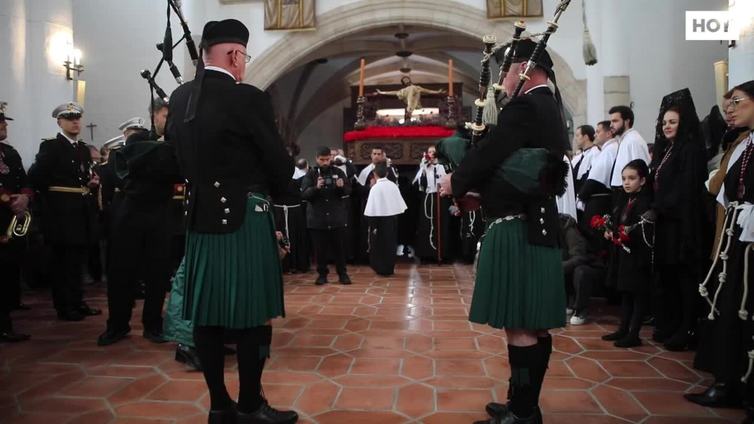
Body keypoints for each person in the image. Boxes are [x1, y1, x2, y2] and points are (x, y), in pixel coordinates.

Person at [166, 19, 298, 424]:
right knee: (253, 317)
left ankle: (219, 407)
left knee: (207, 316)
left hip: (200, 218)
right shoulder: (248, 98)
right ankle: (250, 405)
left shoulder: (180, 97)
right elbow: (278, 163)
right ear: (235, 55)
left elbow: (176, 157)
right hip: (245, 216)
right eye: (245, 57)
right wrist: (282, 190)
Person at [441, 39, 568, 424]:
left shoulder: (528, 105)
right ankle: (522, 404)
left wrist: (456, 181)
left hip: (518, 226)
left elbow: (492, 152)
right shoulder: (551, 107)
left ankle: (523, 412)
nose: (503, 81)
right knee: (534, 324)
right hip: (537, 223)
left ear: (529, 69)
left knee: (520, 325)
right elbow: (524, 169)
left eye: (507, 71)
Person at [685, 80, 754, 414]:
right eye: (728, 103)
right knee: (729, 311)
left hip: (748, 238)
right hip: (737, 237)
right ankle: (728, 382)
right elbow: (722, 187)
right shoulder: (743, 143)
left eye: (737, 101)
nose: (731, 109)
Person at [96, 127, 182, 346]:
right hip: (143, 216)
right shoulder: (163, 155)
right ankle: (139, 325)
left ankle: (126, 325)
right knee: (140, 273)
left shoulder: (154, 155)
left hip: (141, 216)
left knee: (144, 274)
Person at [28, 102, 102, 321]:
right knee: (62, 263)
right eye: (70, 118)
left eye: (77, 117)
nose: (75, 121)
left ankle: (77, 301)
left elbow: (82, 177)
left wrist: (92, 183)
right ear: (60, 122)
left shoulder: (81, 149)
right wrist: (51, 203)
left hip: (80, 213)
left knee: (77, 261)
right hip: (61, 213)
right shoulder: (52, 147)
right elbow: (37, 177)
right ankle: (65, 305)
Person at [647, 90, 709, 351]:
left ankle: (687, 327)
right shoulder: (669, 150)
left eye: (672, 122)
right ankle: (671, 324)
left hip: (682, 223)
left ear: (683, 122)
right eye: (664, 123)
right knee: (669, 276)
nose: (667, 126)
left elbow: (686, 189)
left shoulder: (690, 149)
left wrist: (660, 205)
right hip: (666, 223)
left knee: (685, 279)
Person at [600, 160, 654, 347]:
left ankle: (634, 333)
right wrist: (611, 231)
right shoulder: (624, 199)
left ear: (643, 180)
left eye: (632, 178)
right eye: (624, 179)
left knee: (637, 293)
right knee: (626, 293)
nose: (626, 183)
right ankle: (623, 328)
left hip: (638, 255)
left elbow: (642, 228)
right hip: (624, 254)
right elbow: (618, 221)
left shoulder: (645, 202)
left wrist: (626, 234)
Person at [0, 102, 32, 342]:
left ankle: (10, 306)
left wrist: (24, 196)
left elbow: (24, 179)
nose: (4, 125)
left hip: (12, 218)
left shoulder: (10, 153)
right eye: (0, 122)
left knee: (10, 265)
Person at [301, 146, 352, 285]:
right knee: (320, 250)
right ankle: (322, 275)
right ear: (316, 159)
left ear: (331, 158)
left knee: (340, 249)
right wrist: (316, 188)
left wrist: (341, 187)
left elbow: (348, 191)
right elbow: (304, 195)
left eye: (327, 159)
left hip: (336, 218)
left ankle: (343, 274)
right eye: (322, 159)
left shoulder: (338, 172)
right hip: (318, 219)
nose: (325, 162)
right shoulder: (310, 174)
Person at [365, 162, 407, 276]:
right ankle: (389, 267)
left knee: (379, 244)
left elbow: (370, 209)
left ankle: (380, 268)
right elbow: (400, 206)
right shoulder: (393, 185)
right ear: (387, 173)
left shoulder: (375, 188)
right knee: (390, 243)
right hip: (392, 219)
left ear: (374, 174)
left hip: (378, 220)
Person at [413, 146, 452, 261]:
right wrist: (424, 169)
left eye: (433, 152)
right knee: (427, 223)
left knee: (441, 223)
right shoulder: (424, 167)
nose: (431, 154)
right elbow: (419, 185)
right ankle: (427, 253)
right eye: (429, 152)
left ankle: (442, 253)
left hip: (441, 197)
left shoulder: (444, 166)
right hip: (428, 197)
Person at [608, 105, 651, 192]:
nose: (611, 125)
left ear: (627, 121)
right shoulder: (625, 139)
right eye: (611, 122)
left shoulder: (633, 140)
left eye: (615, 121)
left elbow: (641, 170)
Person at [571, 125, 599, 194]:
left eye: (577, 135)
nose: (575, 139)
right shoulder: (578, 157)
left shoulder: (596, 153)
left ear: (586, 137)